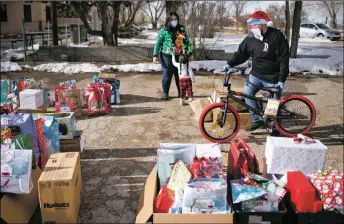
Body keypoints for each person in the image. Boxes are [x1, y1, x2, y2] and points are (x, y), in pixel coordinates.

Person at [223, 11, 289, 136]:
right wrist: (230, 64)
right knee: (247, 94)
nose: (252, 28)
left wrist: (281, 79)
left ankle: (275, 127)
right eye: (251, 25)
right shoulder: (250, 38)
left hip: (273, 77)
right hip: (256, 75)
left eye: (255, 25)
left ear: (263, 24)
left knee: (273, 103)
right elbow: (241, 54)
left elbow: (284, 59)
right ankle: (256, 120)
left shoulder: (276, 36)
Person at [153, 12, 193, 100]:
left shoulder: (181, 29)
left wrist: (189, 52)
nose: (174, 21)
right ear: (168, 20)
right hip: (166, 56)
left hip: (180, 55)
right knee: (167, 75)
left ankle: (181, 93)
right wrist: (155, 55)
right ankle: (165, 93)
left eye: (176, 19)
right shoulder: (164, 30)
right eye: (172, 19)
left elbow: (187, 42)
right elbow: (158, 43)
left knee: (179, 75)